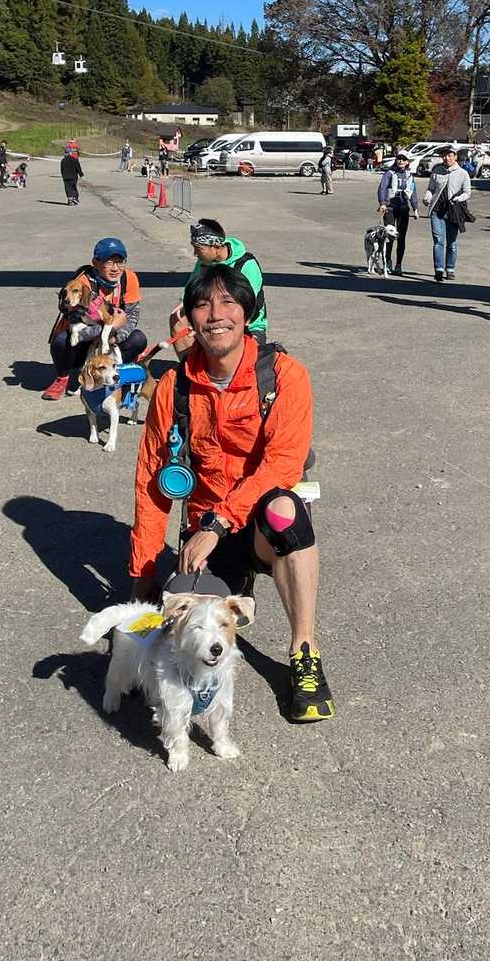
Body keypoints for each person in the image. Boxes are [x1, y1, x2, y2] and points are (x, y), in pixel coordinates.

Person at [130, 264, 334, 723]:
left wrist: (219, 524)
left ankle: (305, 651)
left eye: (228, 303)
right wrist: (143, 578)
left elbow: (284, 462)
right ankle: (234, 581)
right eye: (203, 305)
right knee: (178, 639)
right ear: (189, 319)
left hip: (254, 525)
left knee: (285, 510)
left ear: (247, 312)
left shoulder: (284, 375)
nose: (216, 315)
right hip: (206, 535)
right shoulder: (174, 387)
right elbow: (151, 482)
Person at [42, 237, 147, 400]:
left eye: (120, 262)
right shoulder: (80, 285)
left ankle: (114, 372)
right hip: (81, 338)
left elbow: (132, 317)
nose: (115, 268)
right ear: (95, 263)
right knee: (61, 341)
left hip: (109, 337)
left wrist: (114, 337)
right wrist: (111, 327)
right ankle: (64, 377)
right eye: (109, 262)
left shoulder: (129, 277)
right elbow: (79, 328)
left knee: (139, 339)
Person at [172, 219, 268, 353]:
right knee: (177, 319)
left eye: (198, 249)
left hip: (247, 325)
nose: (195, 253)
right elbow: (191, 290)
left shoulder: (247, 265)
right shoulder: (203, 263)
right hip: (212, 317)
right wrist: (185, 303)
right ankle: (190, 364)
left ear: (216, 246)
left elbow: (247, 308)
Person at [424, 144, 472, 281]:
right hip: (437, 211)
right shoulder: (437, 171)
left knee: (452, 242)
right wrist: (427, 197)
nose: (447, 158)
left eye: (450, 155)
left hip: (453, 211)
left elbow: (467, 192)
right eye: (444, 155)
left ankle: (450, 268)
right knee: (438, 241)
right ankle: (439, 269)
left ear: (455, 157)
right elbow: (431, 188)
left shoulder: (462, 173)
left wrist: (458, 198)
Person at [377, 152, 419, 275]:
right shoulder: (389, 173)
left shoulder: (409, 175)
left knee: (401, 237)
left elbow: (413, 191)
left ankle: (399, 264)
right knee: (389, 237)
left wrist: (415, 208)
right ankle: (388, 262)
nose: (401, 161)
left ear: (407, 162)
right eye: (399, 159)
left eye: (404, 159)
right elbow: (382, 188)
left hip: (403, 208)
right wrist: (382, 203)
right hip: (390, 208)